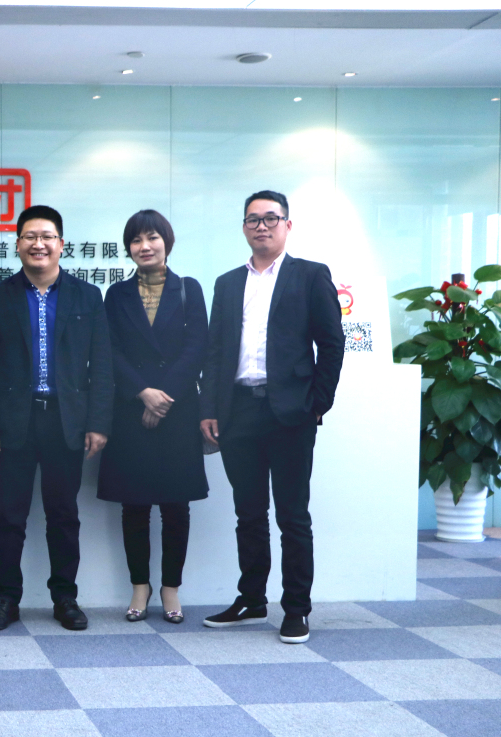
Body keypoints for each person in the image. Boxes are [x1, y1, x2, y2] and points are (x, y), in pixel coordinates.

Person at [200, 190, 344, 643]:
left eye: (270, 218)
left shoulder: (311, 275)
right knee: (248, 514)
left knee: (292, 516)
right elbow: (215, 351)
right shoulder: (227, 283)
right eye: (253, 219)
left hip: (290, 413)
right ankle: (252, 599)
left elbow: (332, 343)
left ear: (287, 225)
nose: (261, 226)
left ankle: (296, 608)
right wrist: (209, 408)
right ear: (244, 227)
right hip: (237, 410)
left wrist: (317, 403)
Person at [0, 205, 113, 632]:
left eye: (47, 236)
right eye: (30, 237)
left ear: (61, 244)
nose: (39, 244)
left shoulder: (87, 296)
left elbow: (101, 365)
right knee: (9, 517)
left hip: (66, 422)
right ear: (17, 245)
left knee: (64, 515)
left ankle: (65, 598)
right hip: (12, 422)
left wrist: (98, 423)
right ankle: (6, 599)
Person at [97, 210, 208, 625]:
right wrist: (143, 393)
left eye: (152, 238)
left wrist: (164, 398)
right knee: (135, 505)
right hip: (130, 408)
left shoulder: (189, 289)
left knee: (176, 506)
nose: (144, 246)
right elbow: (109, 350)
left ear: (167, 242)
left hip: (178, 411)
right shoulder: (116, 294)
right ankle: (140, 586)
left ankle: (171, 588)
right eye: (136, 240)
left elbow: (197, 347)